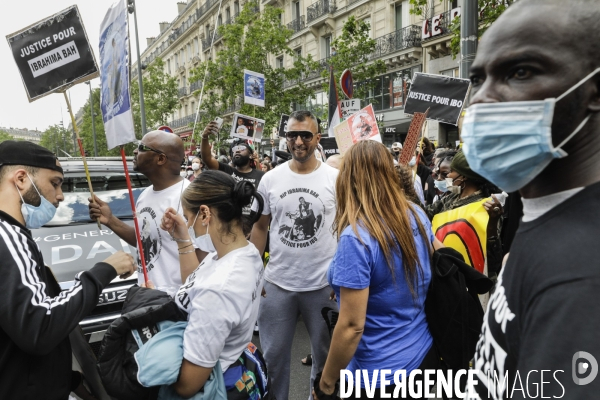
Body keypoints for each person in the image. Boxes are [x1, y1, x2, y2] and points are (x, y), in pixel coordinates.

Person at [462, 1, 600, 397]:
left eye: (519, 72)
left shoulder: (581, 278)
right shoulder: (548, 215)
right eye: (478, 79)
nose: (481, 100)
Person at [0, 141, 135, 399]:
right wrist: (105, 269)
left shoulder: (15, 235)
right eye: (55, 183)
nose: (60, 195)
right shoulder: (7, 237)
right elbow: (40, 325)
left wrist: (70, 380)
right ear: (20, 179)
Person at [314, 141, 442, 399]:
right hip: (423, 355)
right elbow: (440, 260)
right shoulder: (416, 213)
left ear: (348, 179)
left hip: (379, 374)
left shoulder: (357, 237)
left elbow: (351, 326)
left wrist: (326, 383)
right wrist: (346, 287)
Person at [250, 110, 339, 400]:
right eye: (292, 135)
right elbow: (260, 227)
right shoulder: (270, 179)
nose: (298, 141)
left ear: (317, 138)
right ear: (285, 138)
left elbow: (348, 228)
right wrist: (254, 274)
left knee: (326, 361)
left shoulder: (335, 179)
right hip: (277, 285)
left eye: (305, 135)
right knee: (273, 359)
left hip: (324, 287)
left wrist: (342, 280)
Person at [158, 171, 268, 398]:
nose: (188, 225)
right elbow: (194, 281)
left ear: (205, 213)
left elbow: (188, 384)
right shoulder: (241, 252)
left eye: (189, 218)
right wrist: (182, 238)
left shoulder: (219, 289)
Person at [89, 130, 202, 291]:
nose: (135, 151)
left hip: (177, 304)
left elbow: (203, 260)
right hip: (147, 299)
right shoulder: (145, 195)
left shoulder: (189, 198)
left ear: (161, 159)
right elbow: (144, 241)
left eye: (142, 147)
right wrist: (110, 220)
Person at [201, 125, 264, 234]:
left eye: (241, 149)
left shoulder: (262, 176)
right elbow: (207, 159)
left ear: (250, 155)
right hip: (229, 229)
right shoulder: (227, 171)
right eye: (235, 150)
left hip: (254, 229)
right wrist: (204, 137)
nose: (237, 151)